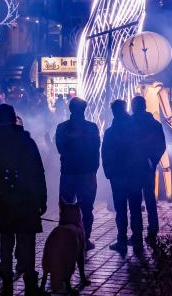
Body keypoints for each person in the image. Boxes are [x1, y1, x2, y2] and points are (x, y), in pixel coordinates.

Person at [0, 104, 47, 296]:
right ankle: (30, 285)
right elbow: (38, 171)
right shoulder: (25, 141)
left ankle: (7, 286)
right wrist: (42, 198)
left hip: (2, 199)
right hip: (26, 198)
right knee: (27, 241)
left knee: (6, 240)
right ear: (13, 119)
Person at [54, 97, 100, 250]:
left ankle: (65, 238)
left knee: (66, 207)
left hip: (68, 172)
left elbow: (60, 148)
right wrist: (94, 168)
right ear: (84, 110)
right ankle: (84, 240)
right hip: (86, 172)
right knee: (87, 208)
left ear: (70, 109)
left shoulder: (62, 128)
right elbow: (95, 149)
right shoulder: (92, 128)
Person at [101, 100, 143, 253]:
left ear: (113, 111)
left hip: (118, 175)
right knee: (135, 209)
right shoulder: (134, 128)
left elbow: (105, 153)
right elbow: (141, 150)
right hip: (134, 174)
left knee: (121, 210)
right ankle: (137, 240)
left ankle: (122, 241)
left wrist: (109, 172)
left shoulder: (111, 132)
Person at [130, 95, 166, 244]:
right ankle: (153, 230)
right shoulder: (155, 124)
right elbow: (161, 146)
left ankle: (137, 233)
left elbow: (125, 145)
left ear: (134, 107)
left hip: (133, 167)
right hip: (148, 167)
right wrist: (153, 160)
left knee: (134, 200)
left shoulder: (130, 124)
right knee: (150, 199)